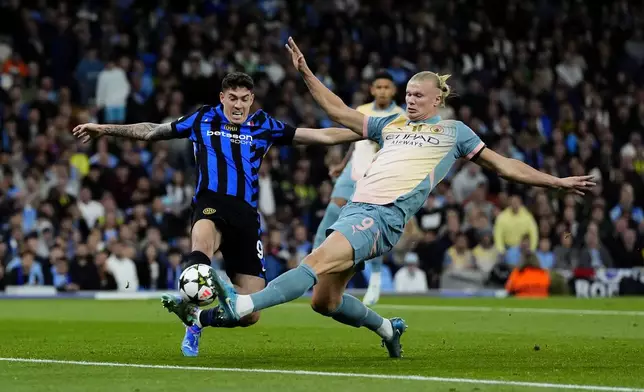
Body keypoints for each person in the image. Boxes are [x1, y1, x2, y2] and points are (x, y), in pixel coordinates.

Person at [163, 38, 595, 359]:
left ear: (438, 99)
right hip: (355, 211)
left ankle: (242, 302)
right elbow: (340, 115)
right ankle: (389, 329)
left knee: (312, 264)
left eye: (417, 95)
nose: (409, 100)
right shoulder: (389, 124)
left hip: (384, 217)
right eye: (406, 94)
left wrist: (555, 182)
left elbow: (504, 165)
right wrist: (306, 73)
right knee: (324, 302)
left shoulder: (455, 133)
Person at [71, 71, 362, 356]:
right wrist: (104, 128)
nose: (238, 105)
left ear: (251, 100)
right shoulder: (203, 118)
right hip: (211, 202)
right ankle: (192, 295)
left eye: (244, 99)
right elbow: (152, 131)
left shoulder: (264, 125)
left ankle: (197, 320)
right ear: (222, 97)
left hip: (246, 216)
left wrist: (368, 131)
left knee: (250, 314)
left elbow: (321, 136)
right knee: (202, 245)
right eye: (232, 98)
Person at [313, 71, 404, 307]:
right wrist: (341, 165)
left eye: (387, 87)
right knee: (330, 216)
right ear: (372, 90)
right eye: (379, 86)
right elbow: (355, 143)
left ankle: (375, 279)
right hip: (351, 171)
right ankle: (310, 269)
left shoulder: (401, 116)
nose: (383, 90)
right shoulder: (362, 111)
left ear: (393, 91)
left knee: (370, 228)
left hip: (375, 176)